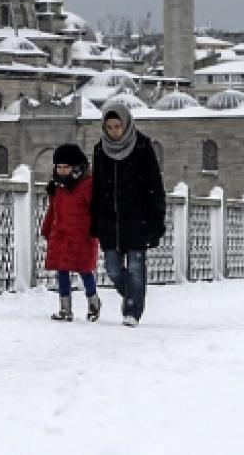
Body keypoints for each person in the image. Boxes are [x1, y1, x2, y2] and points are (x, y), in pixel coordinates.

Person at [90, 104, 165, 327]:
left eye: (118, 126)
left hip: (137, 219)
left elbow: (154, 184)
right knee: (112, 268)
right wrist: (95, 220)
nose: (114, 131)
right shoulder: (100, 149)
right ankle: (133, 295)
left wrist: (156, 218)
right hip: (110, 221)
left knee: (135, 268)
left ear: (126, 125)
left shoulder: (142, 146)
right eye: (110, 127)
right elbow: (98, 186)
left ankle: (133, 309)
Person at [40, 143, 100, 322]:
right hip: (61, 235)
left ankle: (93, 302)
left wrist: (97, 228)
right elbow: (53, 210)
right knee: (62, 270)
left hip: (82, 235)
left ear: (77, 167)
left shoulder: (88, 185)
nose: (62, 171)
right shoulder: (58, 187)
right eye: (59, 167)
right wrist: (47, 228)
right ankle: (65, 308)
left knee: (85, 270)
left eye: (66, 167)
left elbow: (96, 209)